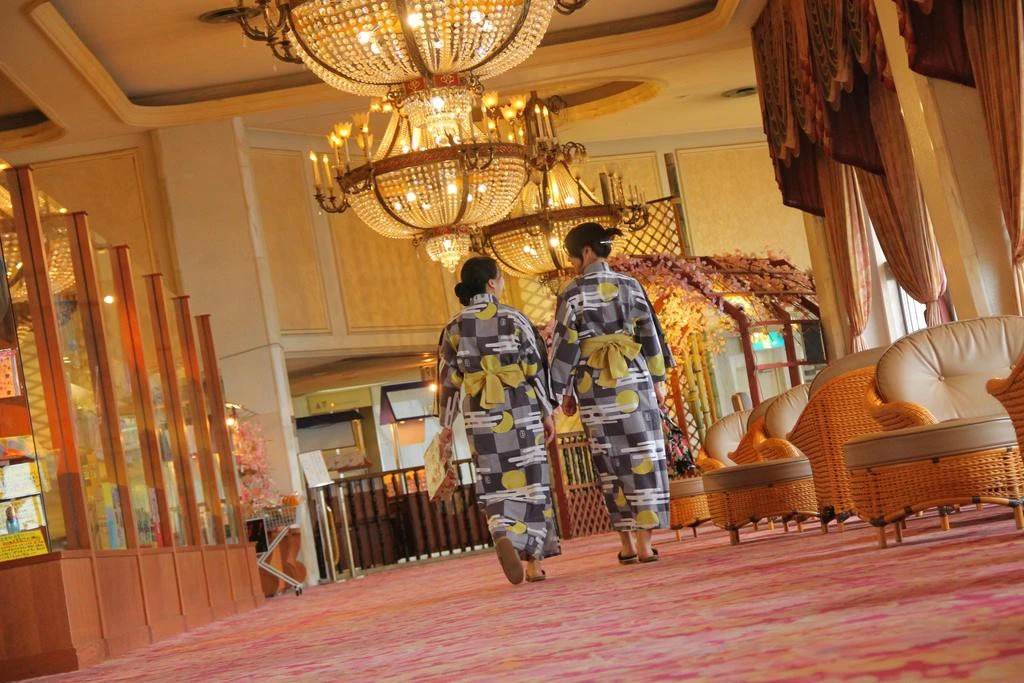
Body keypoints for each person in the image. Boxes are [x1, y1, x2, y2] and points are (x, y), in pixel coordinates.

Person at [549, 222, 675, 564]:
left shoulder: (572, 293)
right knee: (643, 457)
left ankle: (627, 544)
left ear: (587, 251)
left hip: (594, 387)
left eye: (572, 256)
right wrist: (659, 381)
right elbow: (651, 336)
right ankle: (646, 544)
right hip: (635, 381)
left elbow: (565, 346)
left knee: (610, 461)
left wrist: (562, 393)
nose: (572, 263)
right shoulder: (631, 286)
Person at [437, 256, 561, 585]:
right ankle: (534, 564)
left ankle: (501, 529)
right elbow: (534, 368)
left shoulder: (454, 326)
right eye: (502, 278)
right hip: (520, 410)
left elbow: (448, 380)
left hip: (480, 416)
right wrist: (547, 412)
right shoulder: (514, 318)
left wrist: (446, 425)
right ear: (492, 283)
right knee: (532, 481)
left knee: (494, 480)